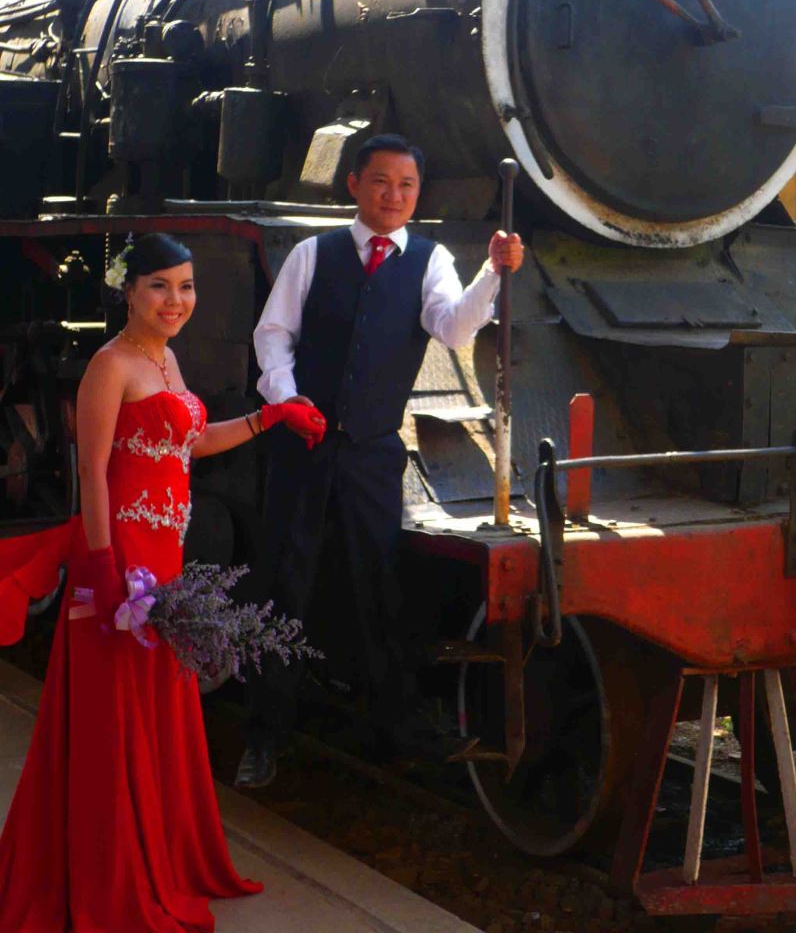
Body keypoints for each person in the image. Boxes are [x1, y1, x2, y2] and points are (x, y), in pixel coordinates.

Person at [0, 232, 325, 933]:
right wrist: (103, 571)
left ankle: (153, 857)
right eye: (159, 286)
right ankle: (108, 875)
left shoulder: (167, 360)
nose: (175, 301)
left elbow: (189, 444)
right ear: (129, 291)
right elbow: (91, 474)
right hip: (119, 565)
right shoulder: (109, 366)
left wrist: (269, 416)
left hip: (164, 568)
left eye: (186, 286)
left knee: (154, 720)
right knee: (110, 722)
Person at [240, 133, 524, 787]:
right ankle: (263, 735)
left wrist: (492, 273)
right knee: (285, 580)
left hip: (372, 452)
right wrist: (286, 399)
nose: (393, 196)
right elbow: (273, 335)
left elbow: (453, 328)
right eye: (380, 181)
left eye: (406, 186)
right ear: (354, 184)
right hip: (302, 445)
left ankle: (393, 730)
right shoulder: (313, 254)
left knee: (379, 583)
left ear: (418, 194)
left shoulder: (429, 260)